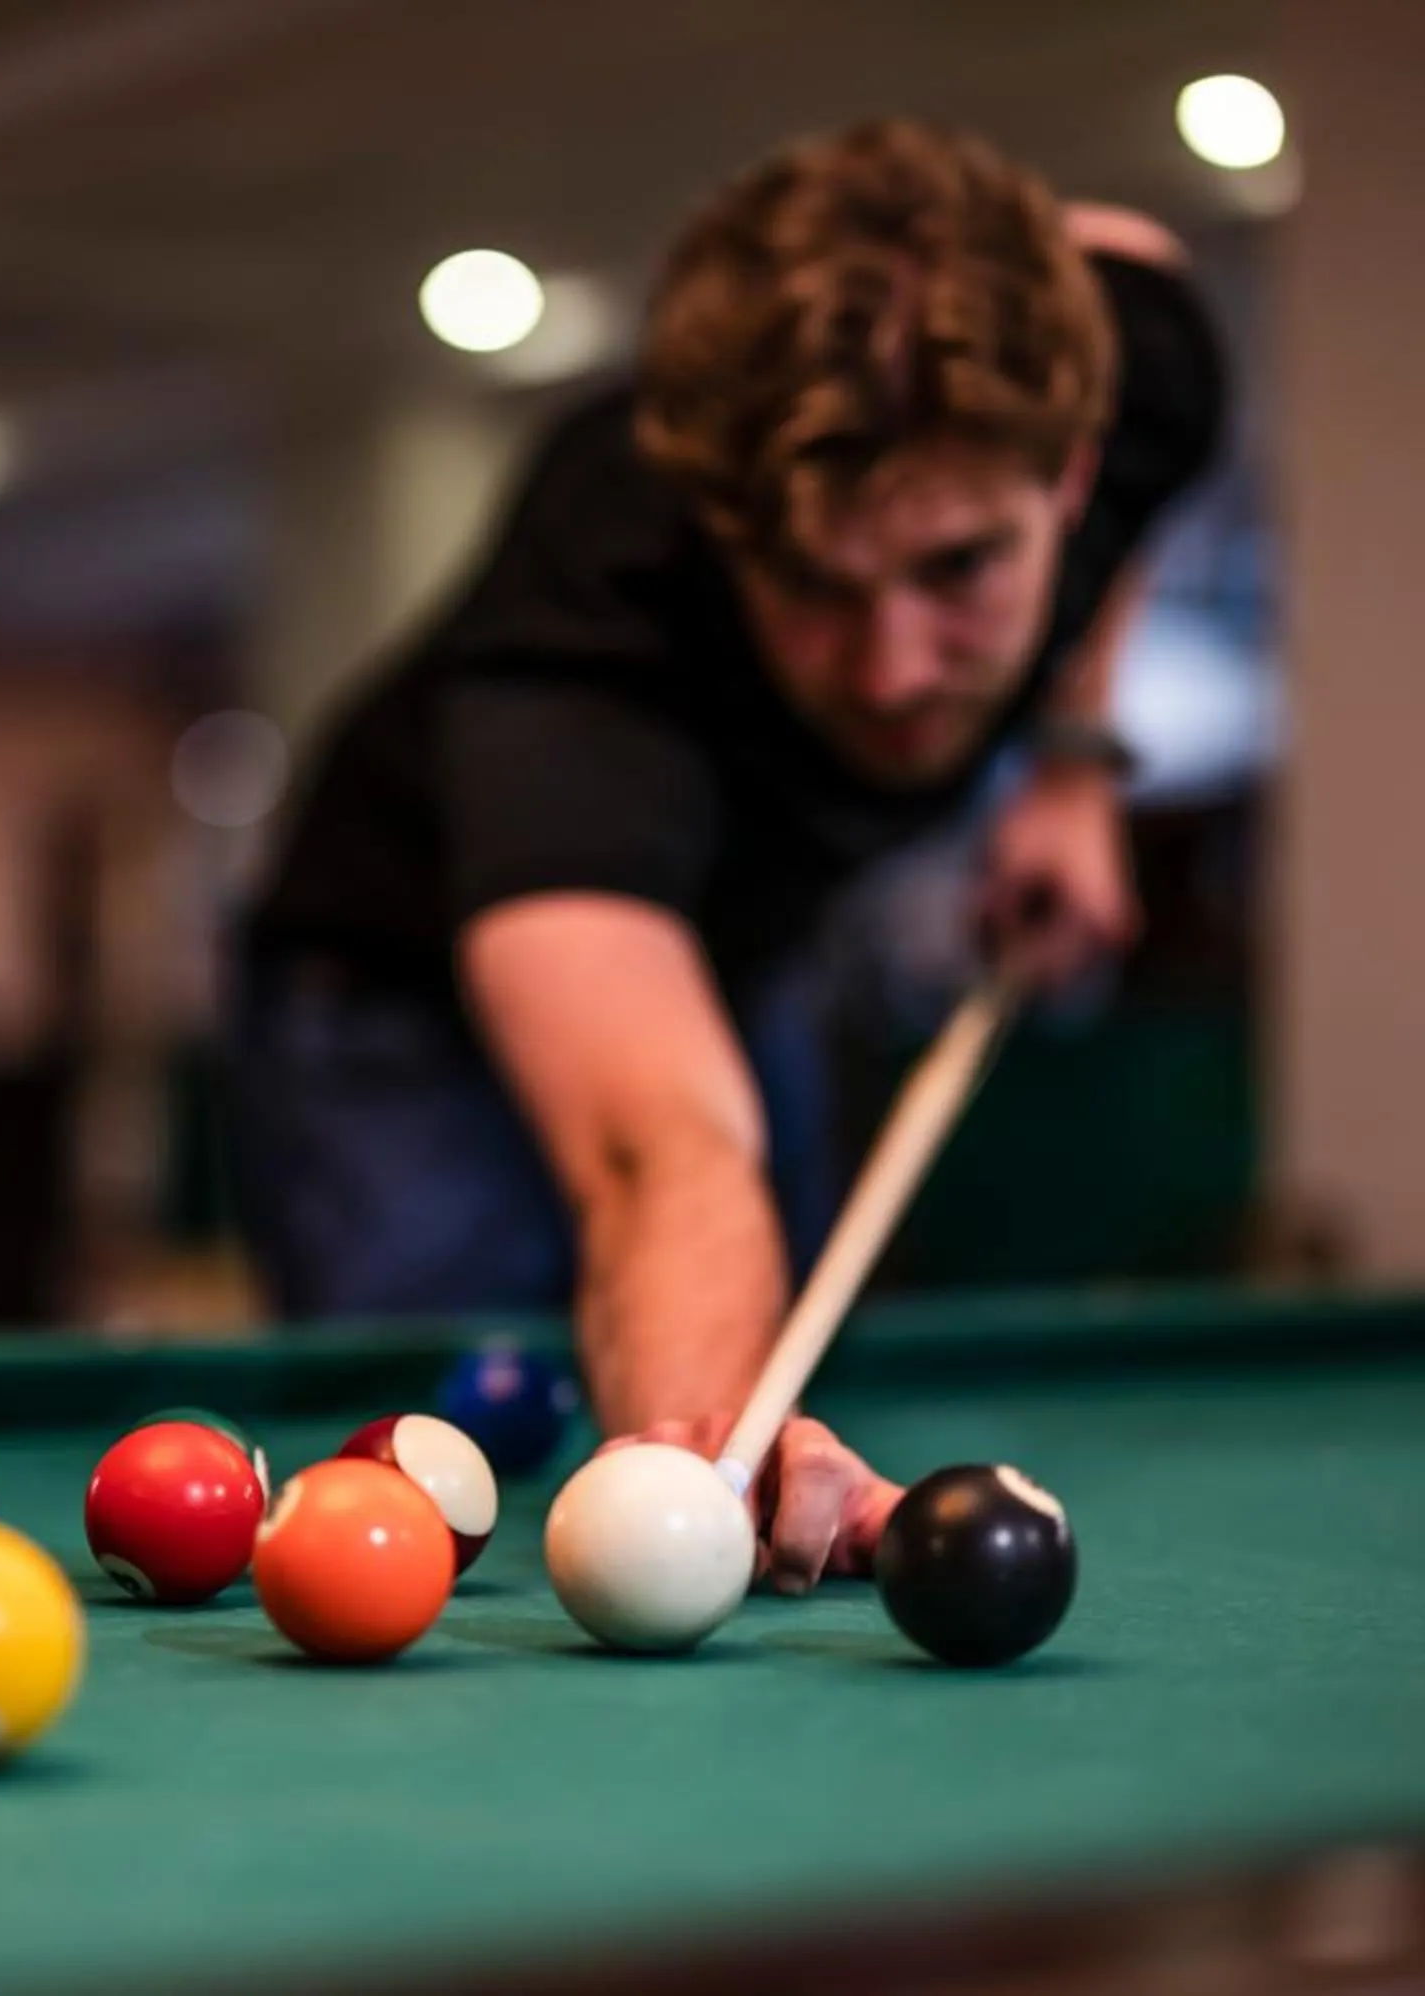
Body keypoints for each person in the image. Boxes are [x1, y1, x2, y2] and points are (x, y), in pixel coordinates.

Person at [226, 119, 1229, 1590]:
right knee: (443, 1486)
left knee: (772, 1366)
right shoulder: (588, 637)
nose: (894, 673)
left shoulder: (1140, 368)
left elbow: (1130, 254)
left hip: (735, 933)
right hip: (401, 1002)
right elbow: (660, 1149)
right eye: (819, 588)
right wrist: (715, 1447)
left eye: (960, 568)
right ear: (724, 527)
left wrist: (1073, 762)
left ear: (1072, 474)